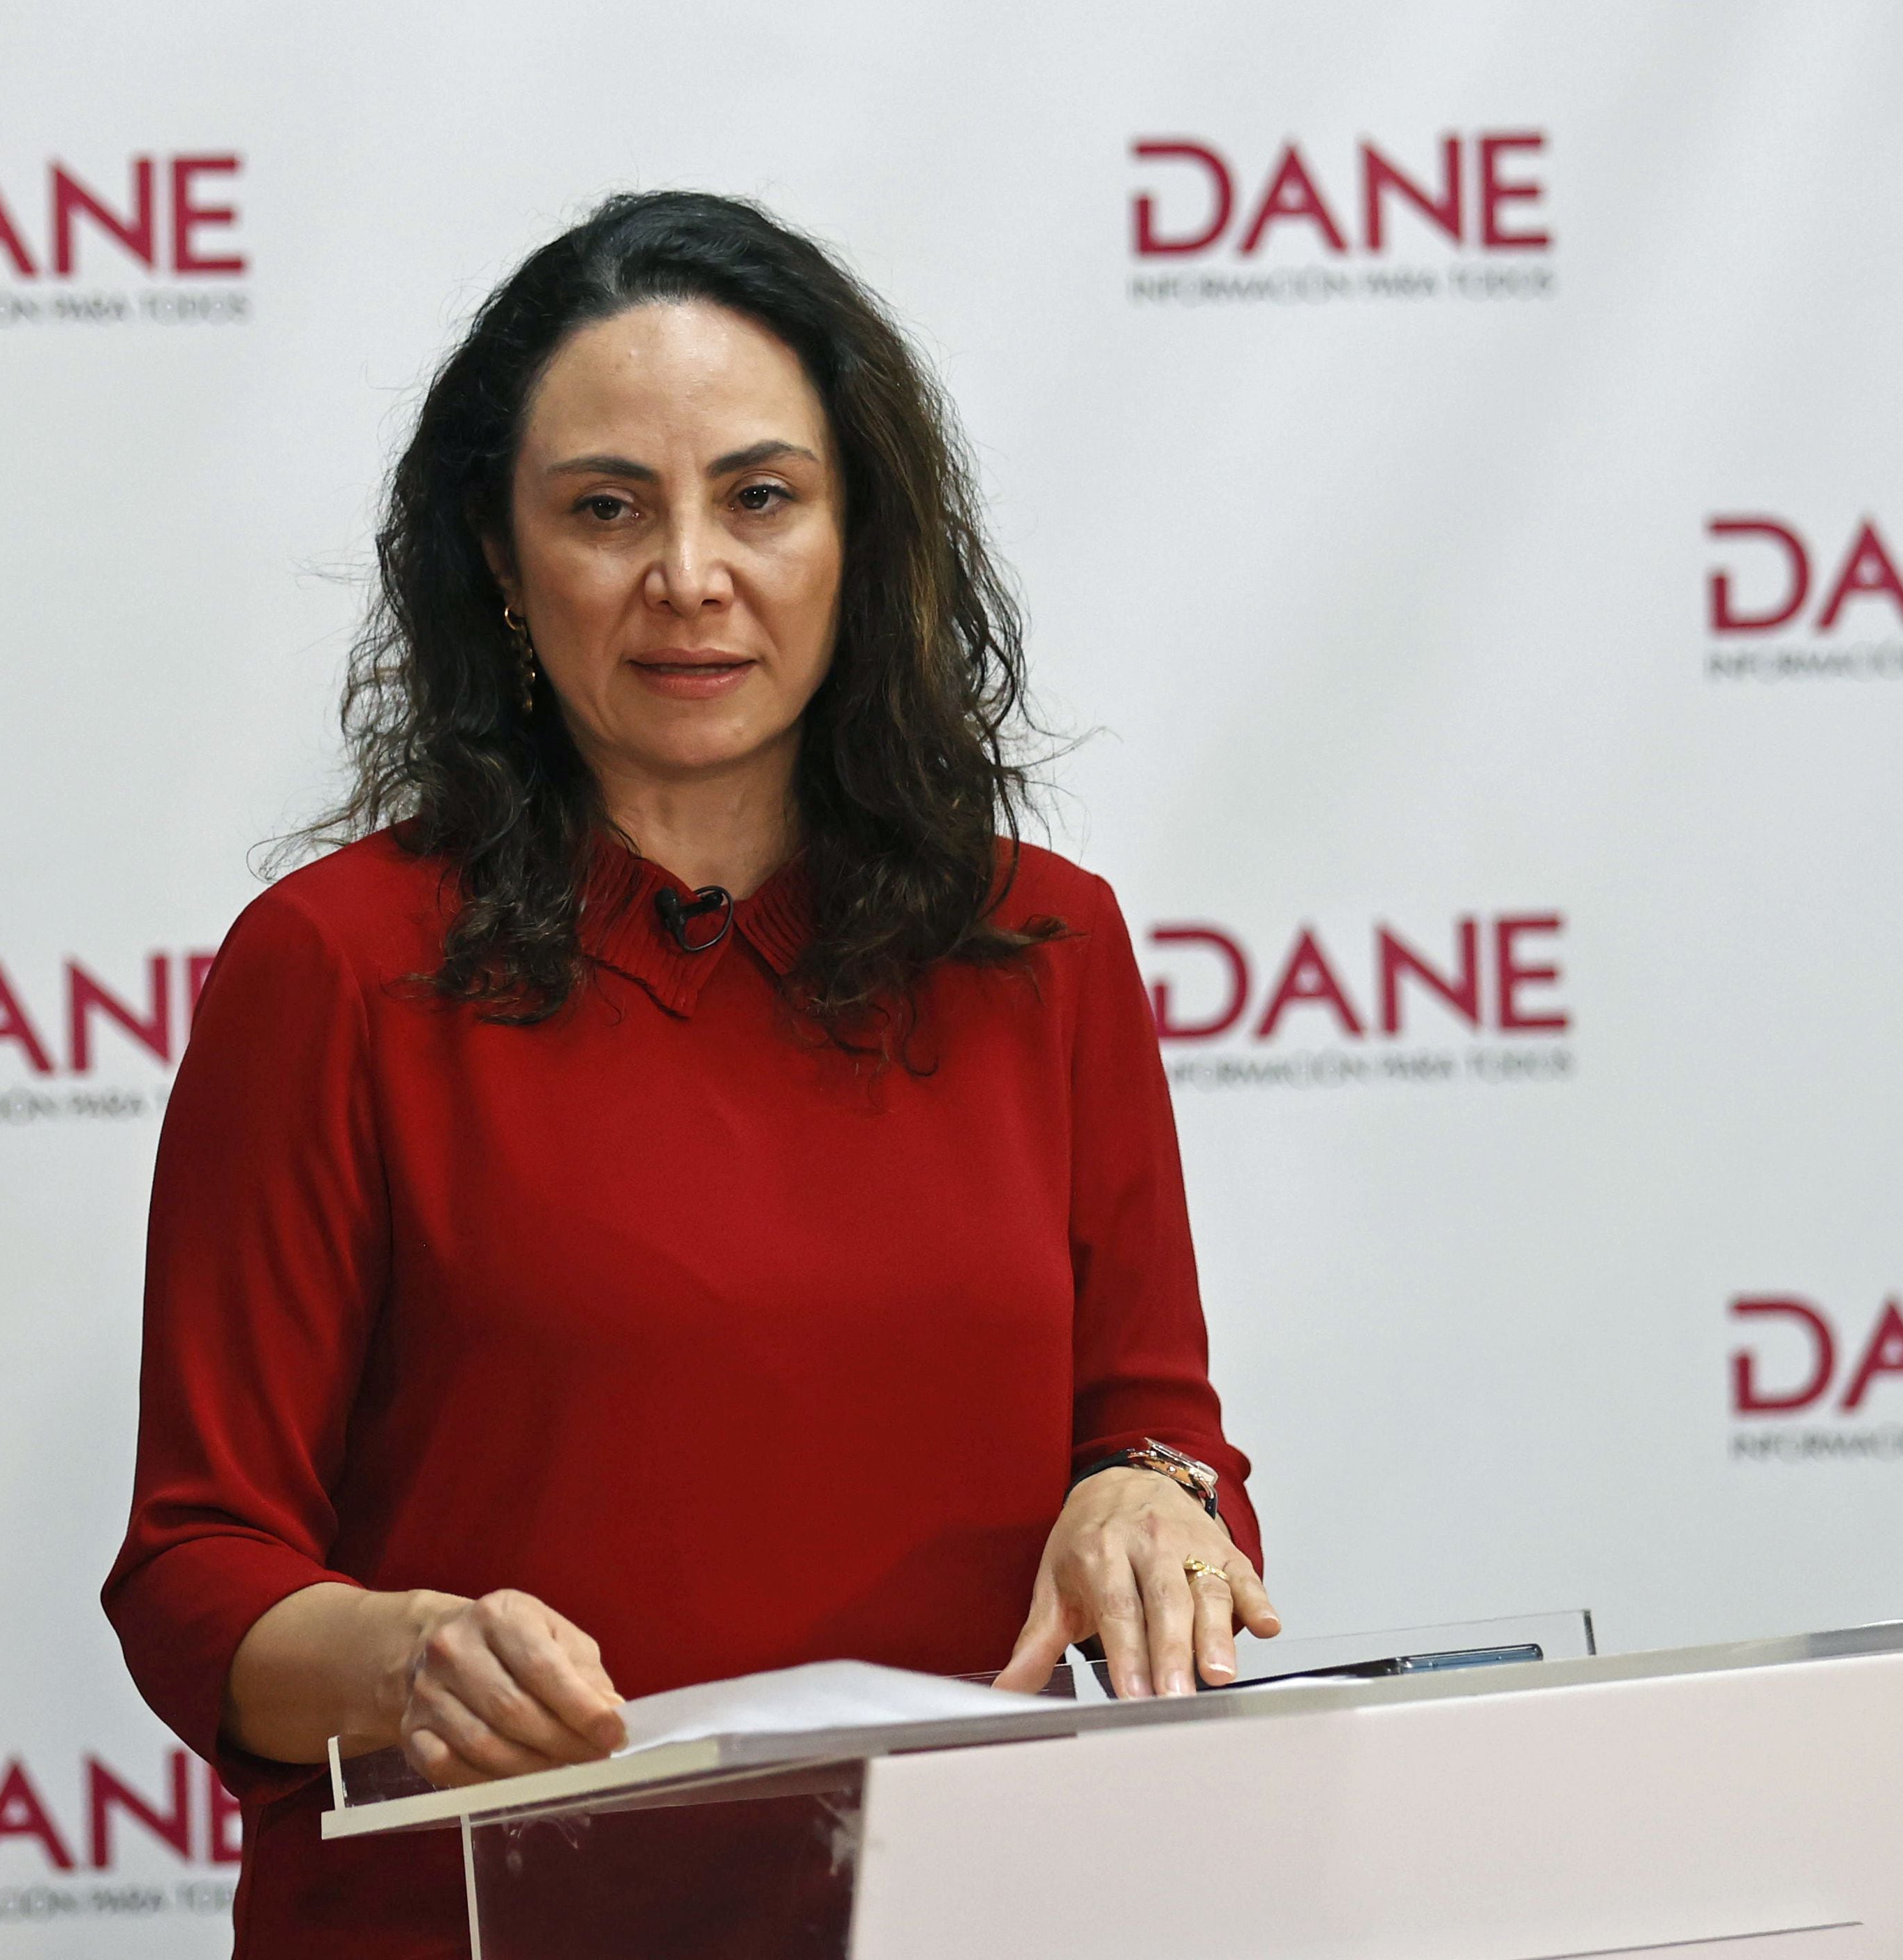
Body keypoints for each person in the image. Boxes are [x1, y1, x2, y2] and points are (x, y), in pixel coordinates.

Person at [104, 189, 1275, 1959]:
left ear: (856, 534)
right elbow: (197, 1574)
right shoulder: (336, 968)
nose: (687, 576)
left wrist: (1152, 1497)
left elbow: (1155, 1432)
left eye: (757, 496)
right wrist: (408, 1660)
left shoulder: (1045, 945)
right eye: (602, 510)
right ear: (497, 563)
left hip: (967, 1914)